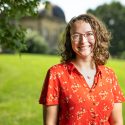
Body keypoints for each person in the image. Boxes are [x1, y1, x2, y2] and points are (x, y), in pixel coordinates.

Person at [39, 13, 125, 125]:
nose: (83, 41)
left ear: (97, 36)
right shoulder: (56, 74)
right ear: (70, 40)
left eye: (89, 34)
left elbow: (117, 122)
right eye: (76, 36)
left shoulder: (110, 75)